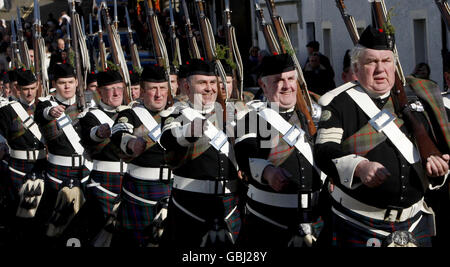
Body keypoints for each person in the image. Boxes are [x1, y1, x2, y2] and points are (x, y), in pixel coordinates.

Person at [315, 25, 449, 247]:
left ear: (395, 65)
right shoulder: (339, 103)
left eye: (386, 61)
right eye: (371, 62)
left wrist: (438, 170)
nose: (380, 69)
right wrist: (359, 167)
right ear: (356, 69)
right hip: (360, 223)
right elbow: (323, 151)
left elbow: (438, 151)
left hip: (415, 223)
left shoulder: (418, 100)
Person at [234, 54, 322, 247]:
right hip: (268, 221)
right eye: (278, 81)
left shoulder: (315, 116)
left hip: (317, 220)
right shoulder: (249, 118)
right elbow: (245, 153)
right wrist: (267, 172)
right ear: (263, 86)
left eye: (291, 79)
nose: (287, 86)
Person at [160, 59, 241, 247]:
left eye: (213, 83)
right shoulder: (175, 114)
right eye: (202, 83)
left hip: (229, 203)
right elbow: (168, 138)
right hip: (189, 204)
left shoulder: (232, 115)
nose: (209, 88)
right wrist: (189, 132)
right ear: (187, 87)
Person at [110, 65, 172, 247]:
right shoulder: (130, 114)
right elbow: (119, 131)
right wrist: (131, 143)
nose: (159, 94)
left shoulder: (177, 114)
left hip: (175, 189)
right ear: (142, 92)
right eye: (153, 89)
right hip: (140, 191)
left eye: (163, 89)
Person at [34, 63, 92, 245]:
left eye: (70, 82)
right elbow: (41, 114)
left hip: (85, 171)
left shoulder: (88, 103)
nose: (66, 86)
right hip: (58, 173)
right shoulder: (46, 104)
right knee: (51, 224)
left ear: (77, 82)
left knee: (83, 226)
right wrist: (51, 112)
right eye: (61, 83)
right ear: (54, 84)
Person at [79, 70, 128, 247]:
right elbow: (90, 134)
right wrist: (99, 133)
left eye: (119, 88)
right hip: (104, 184)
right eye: (110, 89)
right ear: (99, 92)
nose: (116, 93)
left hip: (132, 183)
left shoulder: (133, 113)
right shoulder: (90, 116)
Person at [0, 69, 47, 245]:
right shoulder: (7, 111)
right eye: (25, 89)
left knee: (41, 217)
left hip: (43, 165)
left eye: (33, 88)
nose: (29, 93)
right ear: (17, 90)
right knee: (17, 216)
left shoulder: (44, 109)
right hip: (18, 168)